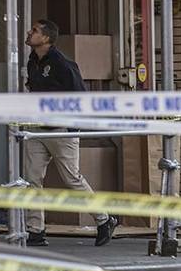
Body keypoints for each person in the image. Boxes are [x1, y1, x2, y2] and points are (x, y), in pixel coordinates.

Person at [23, 19, 118, 247]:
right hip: (38, 128)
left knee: (71, 178)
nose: (29, 33)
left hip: (61, 129)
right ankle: (36, 230)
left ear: (46, 38)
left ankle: (104, 219)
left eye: (34, 31)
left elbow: (80, 96)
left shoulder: (62, 63)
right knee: (32, 179)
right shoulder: (32, 61)